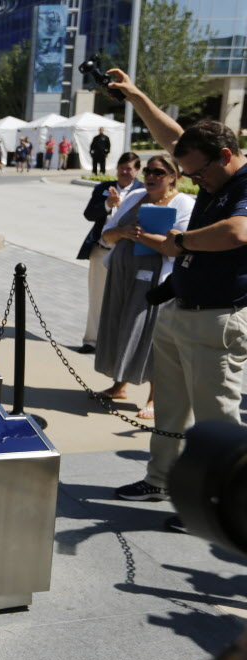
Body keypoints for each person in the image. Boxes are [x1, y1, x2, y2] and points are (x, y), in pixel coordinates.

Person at [104, 69, 247, 536]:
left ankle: (219, 506)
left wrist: (179, 243)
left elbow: (237, 232)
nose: (194, 180)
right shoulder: (209, 165)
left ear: (226, 156)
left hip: (219, 321)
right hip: (181, 313)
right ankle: (159, 480)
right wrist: (138, 96)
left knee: (217, 424)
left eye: (199, 172)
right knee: (169, 410)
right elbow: (176, 137)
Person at [92, 154, 192, 420]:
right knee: (119, 324)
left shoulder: (183, 203)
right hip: (122, 273)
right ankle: (119, 385)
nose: (150, 176)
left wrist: (142, 235)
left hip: (154, 276)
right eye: (148, 170)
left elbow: (181, 246)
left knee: (148, 332)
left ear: (173, 176)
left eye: (158, 172)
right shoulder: (136, 197)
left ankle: (154, 397)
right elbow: (107, 234)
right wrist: (123, 232)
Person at [77, 152, 143, 355]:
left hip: (129, 252)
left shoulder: (143, 191)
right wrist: (108, 205)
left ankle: (118, 343)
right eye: (121, 168)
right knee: (97, 295)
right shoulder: (104, 188)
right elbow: (89, 214)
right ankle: (92, 341)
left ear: (137, 170)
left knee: (125, 298)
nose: (124, 172)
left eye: (129, 168)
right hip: (101, 249)